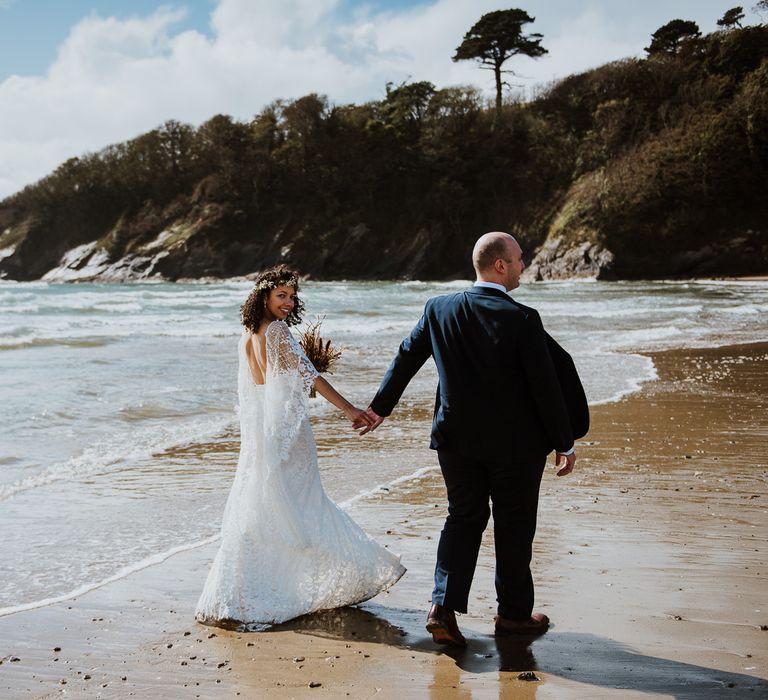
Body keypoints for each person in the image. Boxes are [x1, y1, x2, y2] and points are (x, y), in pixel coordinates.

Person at [363, 232, 584, 647]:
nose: (523, 264)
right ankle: (514, 616)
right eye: (519, 258)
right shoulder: (522, 318)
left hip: (455, 440)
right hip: (515, 446)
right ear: (500, 265)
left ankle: (442, 608)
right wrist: (564, 441)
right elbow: (545, 387)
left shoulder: (439, 309)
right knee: (514, 526)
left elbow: (406, 355)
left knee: (462, 518)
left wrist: (380, 408)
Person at [196, 265, 405, 629]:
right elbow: (312, 376)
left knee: (269, 509)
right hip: (289, 437)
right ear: (263, 297)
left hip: (264, 434)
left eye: (292, 297)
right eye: (281, 296)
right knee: (307, 506)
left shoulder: (248, 334)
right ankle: (343, 579)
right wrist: (351, 410)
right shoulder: (277, 332)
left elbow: (266, 389)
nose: (289, 304)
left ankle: (247, 590)